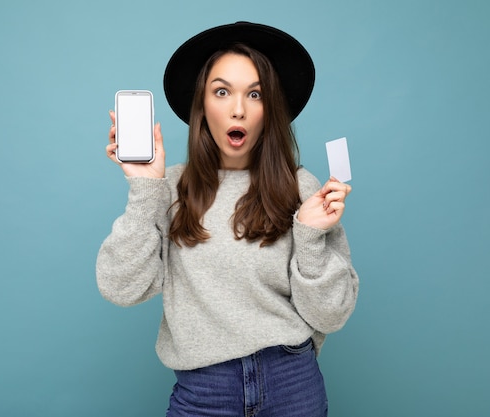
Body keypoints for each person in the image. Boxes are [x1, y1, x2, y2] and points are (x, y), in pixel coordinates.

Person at [97, 22, 359, 417]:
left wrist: (308, 235)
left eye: (255, 94)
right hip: (204, 389)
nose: (238, 108)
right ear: (201, 105)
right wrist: (144, 190)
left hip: (292, 381)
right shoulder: (167, 188)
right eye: (222, 92)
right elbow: (121, 289)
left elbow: (333, 315)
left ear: (270, 108)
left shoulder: (303, 188)